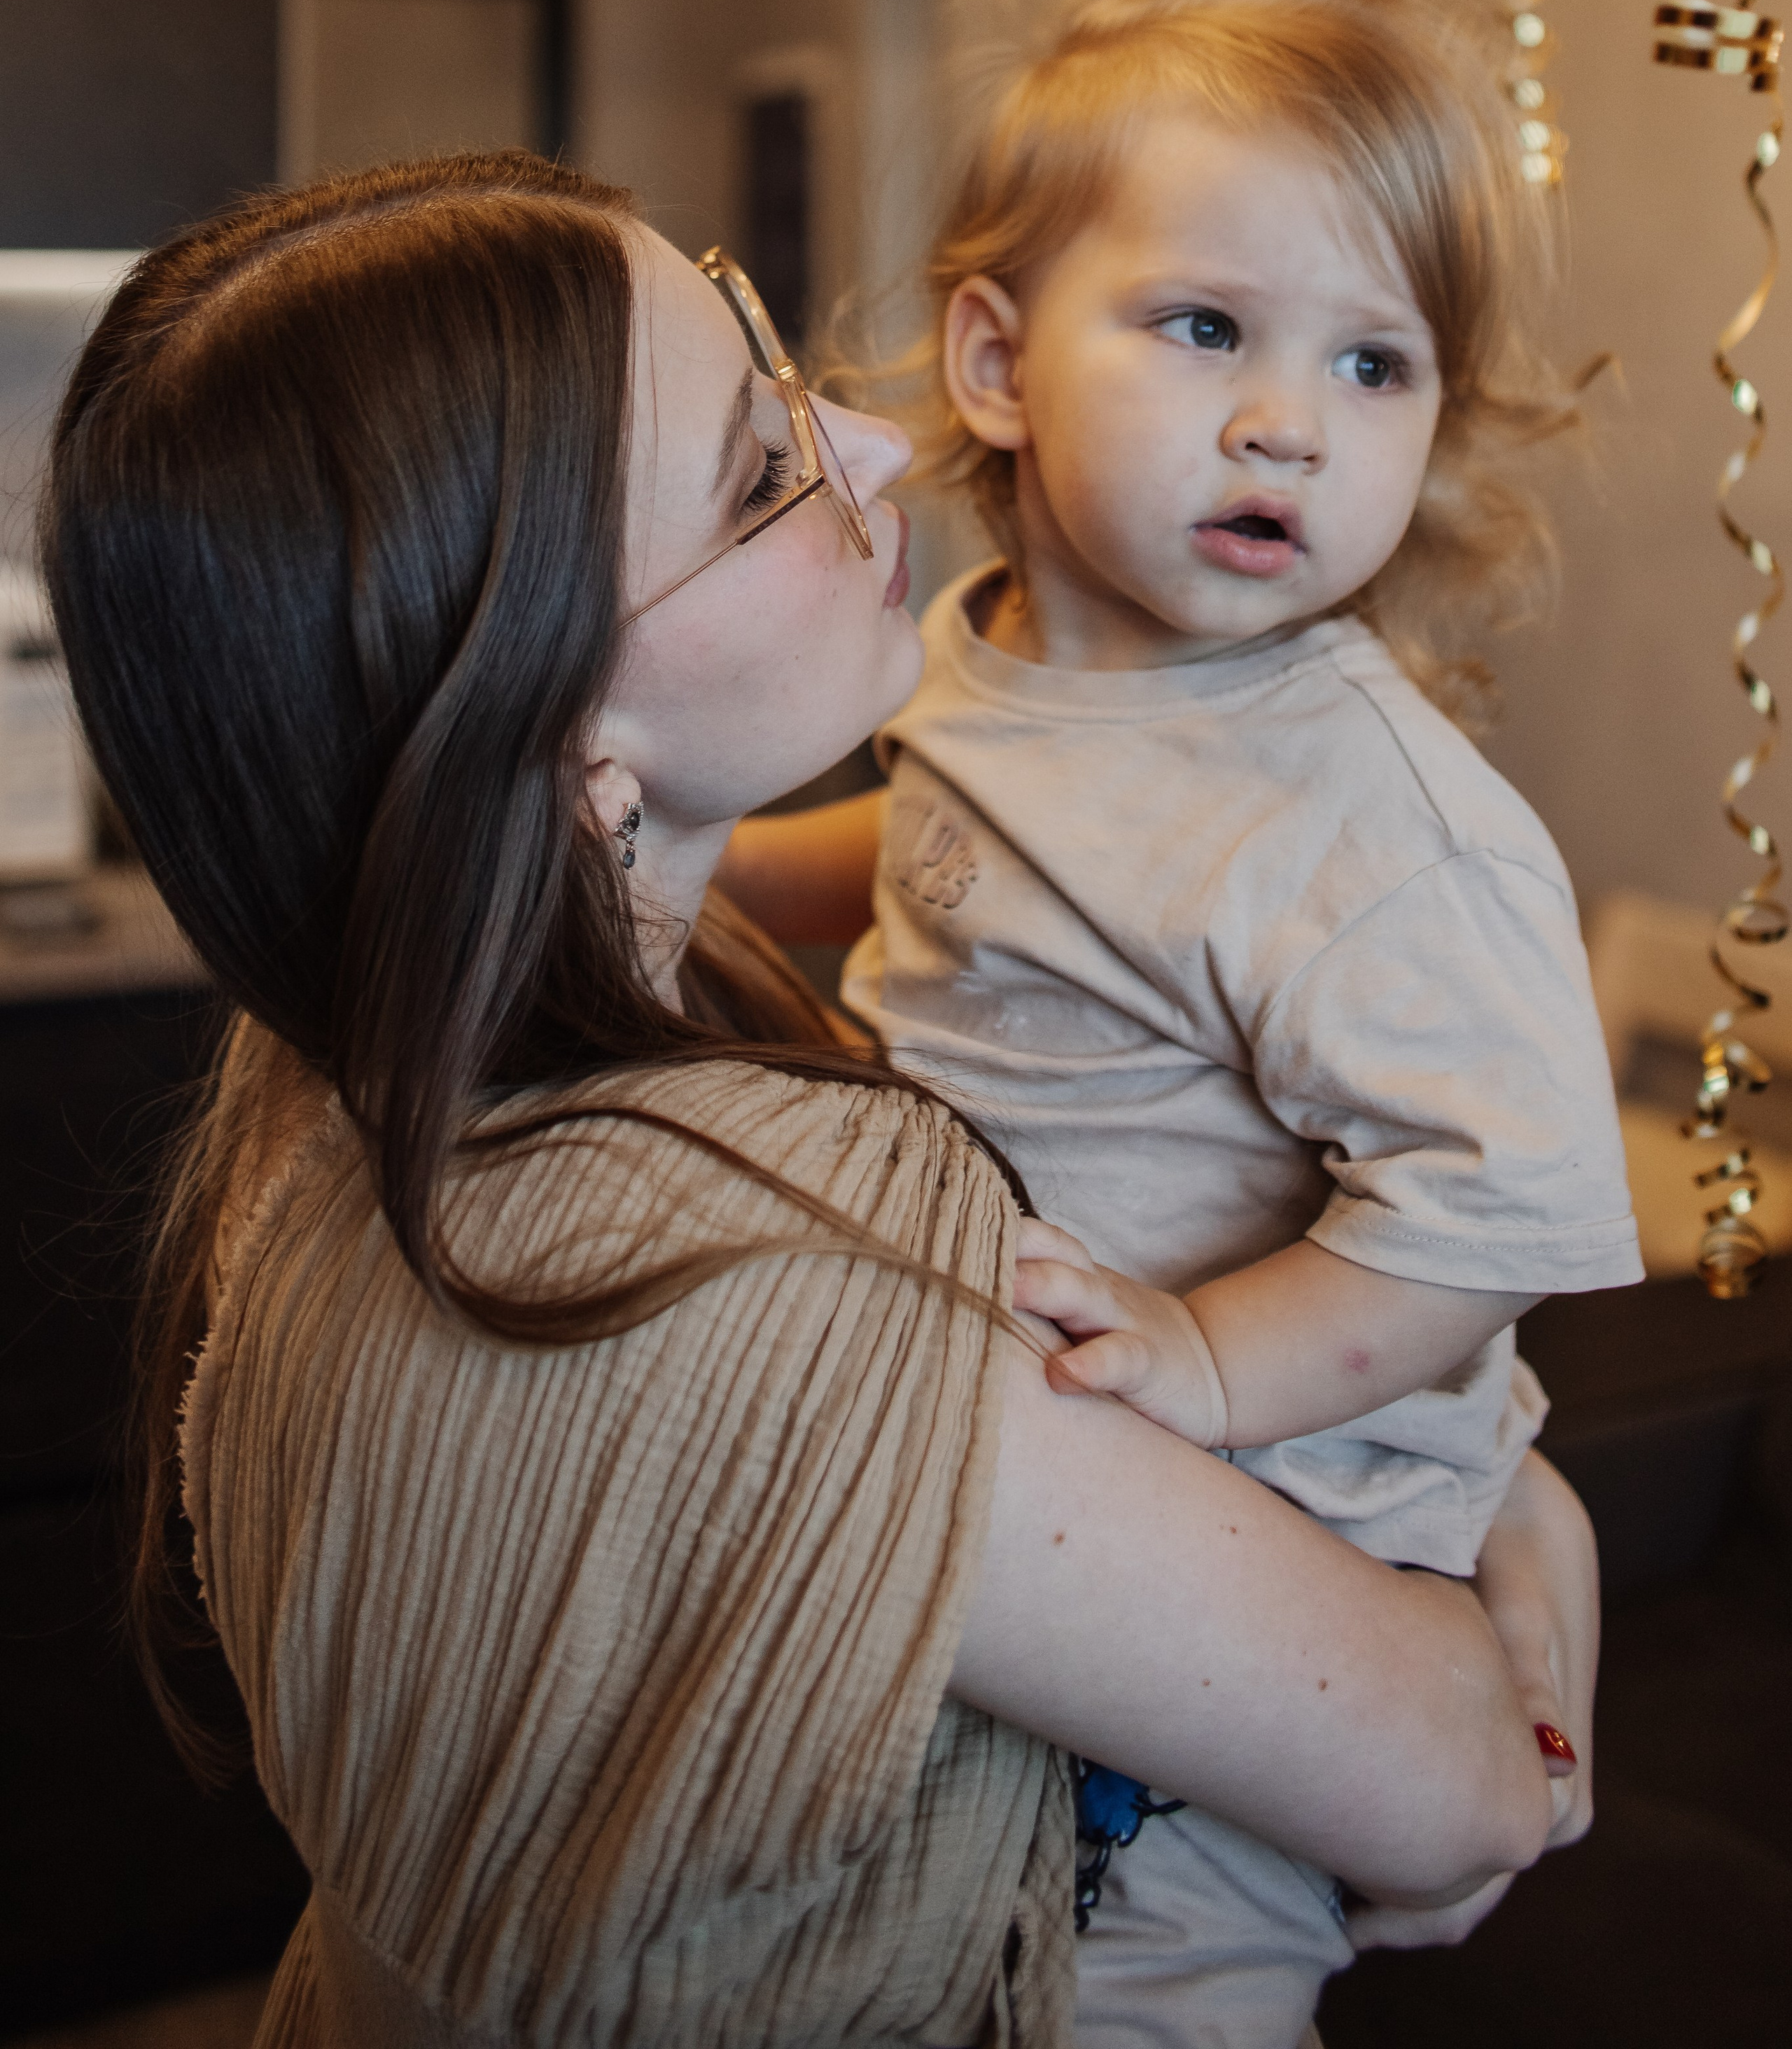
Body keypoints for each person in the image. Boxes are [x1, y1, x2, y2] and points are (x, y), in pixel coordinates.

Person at [45, 152, 1591, 2049]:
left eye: (782, 370)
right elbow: (1464, 1793)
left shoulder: (325, 1073)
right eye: (761, 468)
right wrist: (1509, 1543)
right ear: (563, 744)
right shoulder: (761, 1289)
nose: (868, 444)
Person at [721, 0, 1640, 2048]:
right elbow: (985, 877)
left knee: (1143, 1991)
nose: (1285, 420)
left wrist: (1210, 1362)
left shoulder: (1369, 820)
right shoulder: (995, 656)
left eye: (1375, 363)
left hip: (1276, 1524)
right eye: (1208, 323)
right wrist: (711, 884)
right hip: (1060, 1492)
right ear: (994, 357)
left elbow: (1491, 1212)